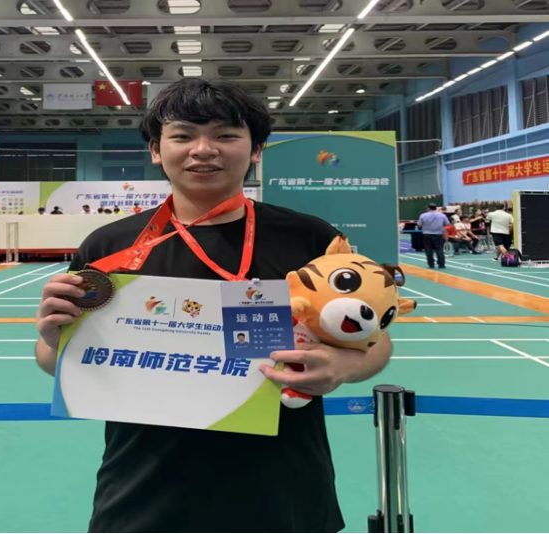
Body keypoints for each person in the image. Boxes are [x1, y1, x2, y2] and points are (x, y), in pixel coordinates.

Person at [34, 78, 394, 534]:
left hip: (282, 488)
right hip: (141, 489)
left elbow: (377, 343)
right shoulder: (110, 245)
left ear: (256, 149)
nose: (203, 150)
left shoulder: (310, 239)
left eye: (226, 134)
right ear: (156, 149)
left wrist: (345, 366)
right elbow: (53, 359)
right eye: (183, 136)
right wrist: (55, 340)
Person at [417, 203, 449, 268]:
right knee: (439, 249)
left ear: (428, 208)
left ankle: (431, 264)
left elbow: (419, 224)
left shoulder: (423, 215)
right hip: (438, 234)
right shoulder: (442, 215)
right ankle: (441, 264)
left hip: (427, 234)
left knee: (428, 249)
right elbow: (447, 224)